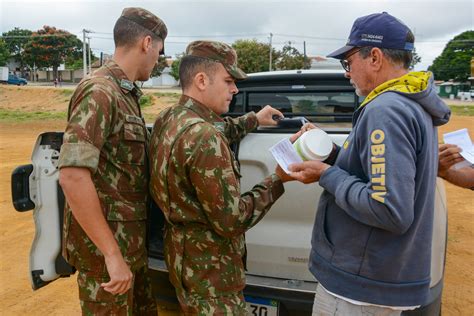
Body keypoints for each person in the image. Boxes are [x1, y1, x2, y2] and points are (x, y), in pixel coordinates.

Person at [285, 12, 451, 315]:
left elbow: (389, 209)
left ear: (374, 57)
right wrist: (332, 153)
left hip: (360, 289)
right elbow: (380, 173)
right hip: (379, 277)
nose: (347, 73)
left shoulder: (385, 110)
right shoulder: (409, 103)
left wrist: (326, 174)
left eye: (348, 63)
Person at [148, 40, 291, 315]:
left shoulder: (170, 118)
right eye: (228, 81)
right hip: (213, 278)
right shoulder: (205, 137)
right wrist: (278, 179)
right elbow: (231, 220)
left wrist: (254, 119)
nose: (235, 89)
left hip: (184, 263)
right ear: (202, 80)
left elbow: (214, 130)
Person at [57, 7, 167, 315]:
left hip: (129, 248)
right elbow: (72, 176)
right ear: (147, 43)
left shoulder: (125, 94)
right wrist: (111, 254)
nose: (157, 60)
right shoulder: (100, 92)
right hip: (108, 257)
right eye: (158, 52)